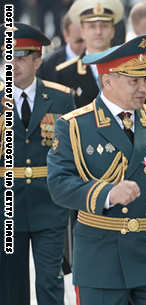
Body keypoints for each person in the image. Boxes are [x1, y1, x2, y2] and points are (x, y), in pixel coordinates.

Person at [46, 34, 146, 305]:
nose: (143, 87)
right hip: (102, 261)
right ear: (108, 81)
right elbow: (59, 185)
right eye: (133, 81)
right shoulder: (75, 126)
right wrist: (107, 194)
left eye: (145, 79)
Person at [0, 22, 75, 305]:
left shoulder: (61, 97)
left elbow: (71, 152)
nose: (13, 64)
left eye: (20, 58)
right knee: (10, 286)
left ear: (38, 59)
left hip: (49, 204)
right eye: (8, 57)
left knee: (50, 282)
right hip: (7, 206)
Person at [55, 0, 124, 108]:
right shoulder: (64, 73)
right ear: (82, 31)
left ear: (113, 30)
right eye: (92, 26)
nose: (98, 32)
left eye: (104, 26)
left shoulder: (128, 67)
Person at [38, 13, 86, 83]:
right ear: (66, 35)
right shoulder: (47, 67)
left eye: (89, 40)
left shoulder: (101, 62)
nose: (86, 45)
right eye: (79, 41)